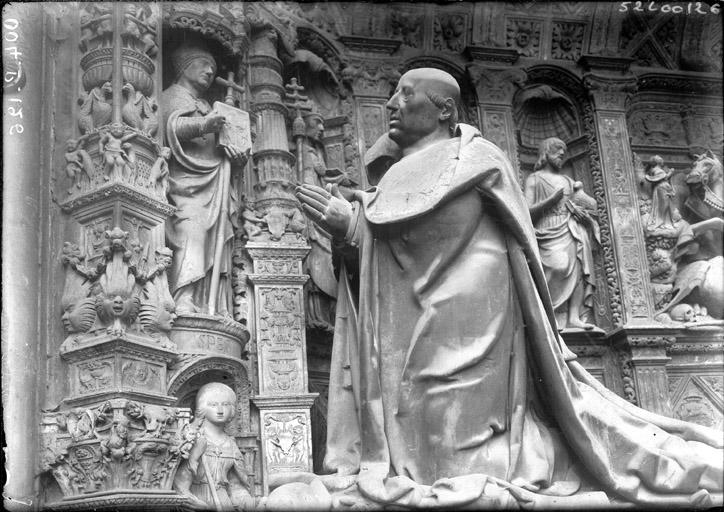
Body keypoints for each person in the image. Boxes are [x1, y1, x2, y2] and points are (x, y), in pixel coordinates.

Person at [294, 68, 723, 508]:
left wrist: (363, 228)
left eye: (405, 94)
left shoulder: (482, 159)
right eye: (391, 94)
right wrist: (349, 230)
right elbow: (388, 251)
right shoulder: (390, 178)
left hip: (476, 318)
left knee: (462, 452)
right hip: (406, 327)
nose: (392, 104)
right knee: (422, 441)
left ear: (443, 109)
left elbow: (510, 246)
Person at [161, 43, 246, 316]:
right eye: (203, 64)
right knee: (191, 233)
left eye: (213, 67)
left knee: (218, 243)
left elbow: (223, 149)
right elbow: (169, 127)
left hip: (215, 184)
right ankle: (184, 299)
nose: (210, 71)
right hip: (186, 184)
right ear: (185, 67)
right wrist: (204, 124)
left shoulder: (209, 106)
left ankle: (214, 307)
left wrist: (238, 158)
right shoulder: (172, 95)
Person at [524, 137, 597, 330]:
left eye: (564, 151)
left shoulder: (568, 180)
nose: (562, 154)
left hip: (571, 228)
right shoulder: (534, 179)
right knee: (558, 266)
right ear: (546, 152)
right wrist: (550, 201)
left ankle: (574, 317)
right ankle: (551, 316)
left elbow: (582, 204)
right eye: (557, 150)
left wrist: (583, 212)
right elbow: (525, 212)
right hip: (547, 228)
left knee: (580, 269)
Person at [173, 382, 253, 510]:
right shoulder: (192, 438)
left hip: (223, 504)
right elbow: (179, 484)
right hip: (197, 501)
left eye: (225, 404)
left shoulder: (231, 444)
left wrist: (247, 502)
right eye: (213, 405)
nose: (220, 410)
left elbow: (235, 486)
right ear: (202, 407)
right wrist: (202, 506)